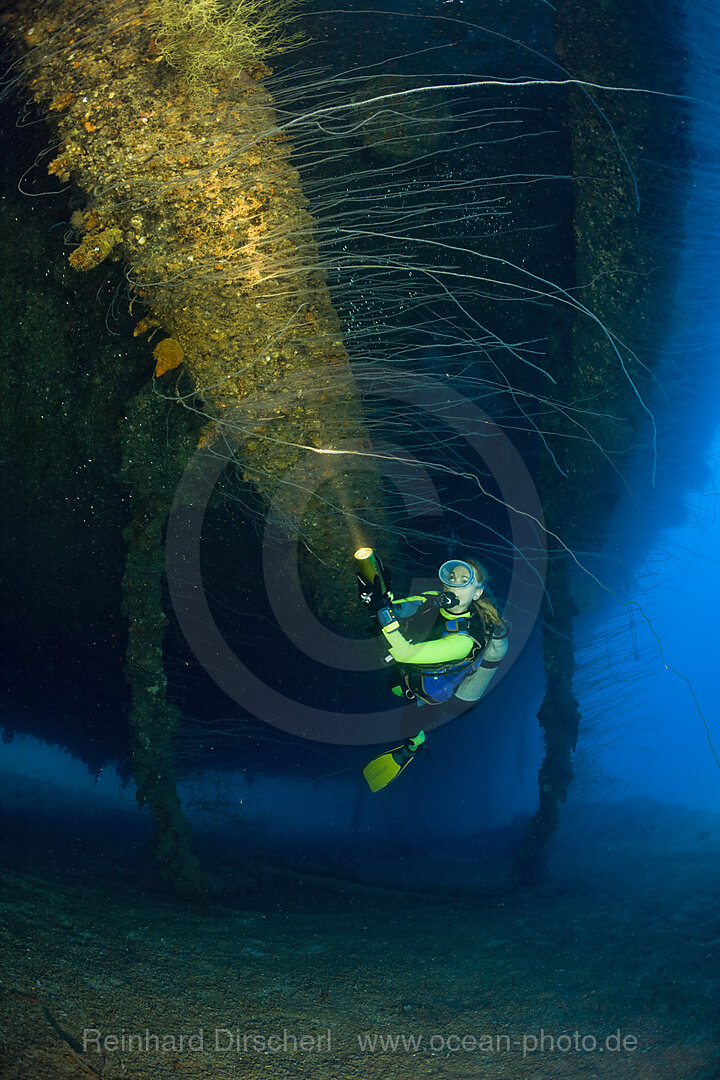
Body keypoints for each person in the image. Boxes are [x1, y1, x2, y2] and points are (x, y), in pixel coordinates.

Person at [357, 554, 510, 791]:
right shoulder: (432, 600)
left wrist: (383, 615)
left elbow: (405, 653)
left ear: (477, 593)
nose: (454, 584)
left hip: (432, 696)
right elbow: (403, 607)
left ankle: (413, 748)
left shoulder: (465, 641)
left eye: (464, 580)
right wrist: (380, 601)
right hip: (411, 675)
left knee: (408, 729)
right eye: (451, 576)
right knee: (393, 686)